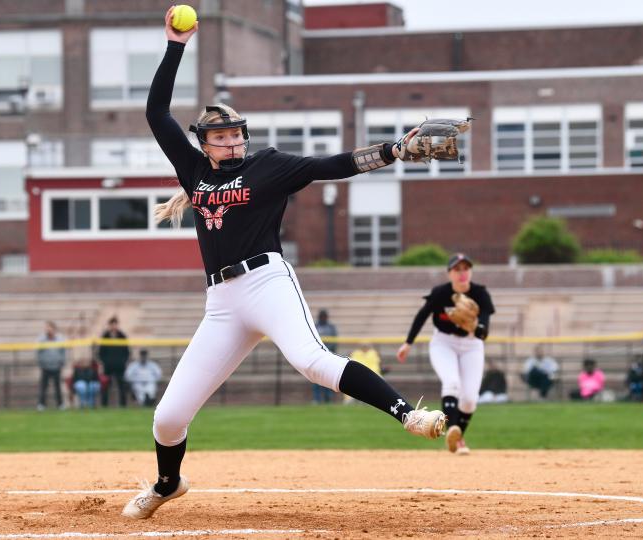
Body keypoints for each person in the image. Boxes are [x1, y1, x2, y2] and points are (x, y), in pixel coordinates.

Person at [122, 8, 449, 520]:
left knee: (312, 362)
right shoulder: (193, 171)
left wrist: (393, 150)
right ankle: (168, 483)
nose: (232, 143)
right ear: (204, 145)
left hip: (267, 283)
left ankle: (407, 414)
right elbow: (156, 113)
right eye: (221, 138)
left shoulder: (268, 166)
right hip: (222, 303)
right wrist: (174, 46)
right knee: (168, 417)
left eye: (236, 135)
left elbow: (331, 166)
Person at [396, 253, 495, 456]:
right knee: (451, 383)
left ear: (471, 271)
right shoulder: (440, 293)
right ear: (449, 273)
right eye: (457, 269)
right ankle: (451, 429)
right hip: (444, 343)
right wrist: (408, 343)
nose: (462, 273)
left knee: (469, 399)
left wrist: (475, 325)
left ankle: (457, 439)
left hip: (471, 344)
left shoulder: (480, 294)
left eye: (466, 268)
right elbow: (422, 316)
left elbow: (483, 333)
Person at [97, 317, 131, 408]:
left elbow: (126, 352)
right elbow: (100, 352)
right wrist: (105, 362)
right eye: (112, 324)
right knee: (105, 387)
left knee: (121, 386)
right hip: (108, 367)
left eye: (115, 324)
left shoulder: (122, 336)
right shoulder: (105, 336)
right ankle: (104, 405)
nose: (113, 326)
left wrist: (122, 362)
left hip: (120, 366)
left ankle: (123, 406)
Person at [36, 321, 67, 411]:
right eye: (47, 328)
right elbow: (37, 352)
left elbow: (63, 352)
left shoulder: (60, 339)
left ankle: (60, 404)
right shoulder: (41, 339)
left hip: (56, 366)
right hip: (45, 366)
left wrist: (62, 362)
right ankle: (41, 405)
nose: (48, 330)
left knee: (57, 387)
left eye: (50, 328)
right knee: (43, 387)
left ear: (54, 329)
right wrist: (41, 363)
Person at [312, 309, 338, 404]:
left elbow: (334, 341)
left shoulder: (331, 327)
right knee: (315, 378)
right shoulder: (315, 326)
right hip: (317, 356)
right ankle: (317, 399)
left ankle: (328, 398)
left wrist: (328, 352)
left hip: (328, 356)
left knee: (328, 378)